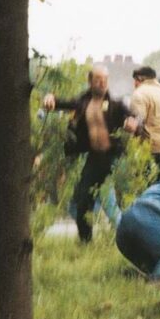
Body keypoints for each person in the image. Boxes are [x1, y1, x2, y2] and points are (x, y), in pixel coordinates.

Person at [44, 65, 131, 243]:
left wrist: (133, 122)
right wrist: (50, 98)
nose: (102, 83)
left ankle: (128, 236)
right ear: (90, 81)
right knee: (83, 200)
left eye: (105, 80)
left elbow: (133, 117)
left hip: (112, 157)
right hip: (94, 158)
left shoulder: (115, 104)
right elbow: (61, 103)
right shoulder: (82, 103)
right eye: (98, 79)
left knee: (108, 199)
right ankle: (86, 241)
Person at [125, 66, 160, 179]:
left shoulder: (139, 94)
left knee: (147, 185)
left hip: (150, 150)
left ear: (139, 79)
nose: (134, 84)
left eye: (135, 80)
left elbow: (137, 123)